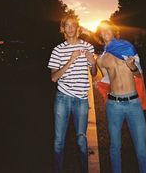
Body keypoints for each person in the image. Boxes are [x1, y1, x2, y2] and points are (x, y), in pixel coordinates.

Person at [96, 20, 146, 173]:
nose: (105, 32)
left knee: (141, 149)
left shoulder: (127, 48)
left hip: (133, 103)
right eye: (102, 30)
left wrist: (132, 66)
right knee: (114, 147)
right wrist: (99, 83)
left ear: (114, 31)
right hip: (114, 105)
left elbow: (139, 74)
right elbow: (107, 79)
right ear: (100, 34)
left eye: (108, 29)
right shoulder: (101, 59)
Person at [48, 14, 97, 173]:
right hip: (63, 98)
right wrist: (71, 59)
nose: (70, 28)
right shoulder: (58, 50)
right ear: (63, 29)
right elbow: (54, 78)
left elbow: (94, 73)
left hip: (82, 99)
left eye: (72, 25)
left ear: (78, 28)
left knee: (82, 140)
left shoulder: (88, 47)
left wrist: (93, 62)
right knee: (58, 141)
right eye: (66, 25)